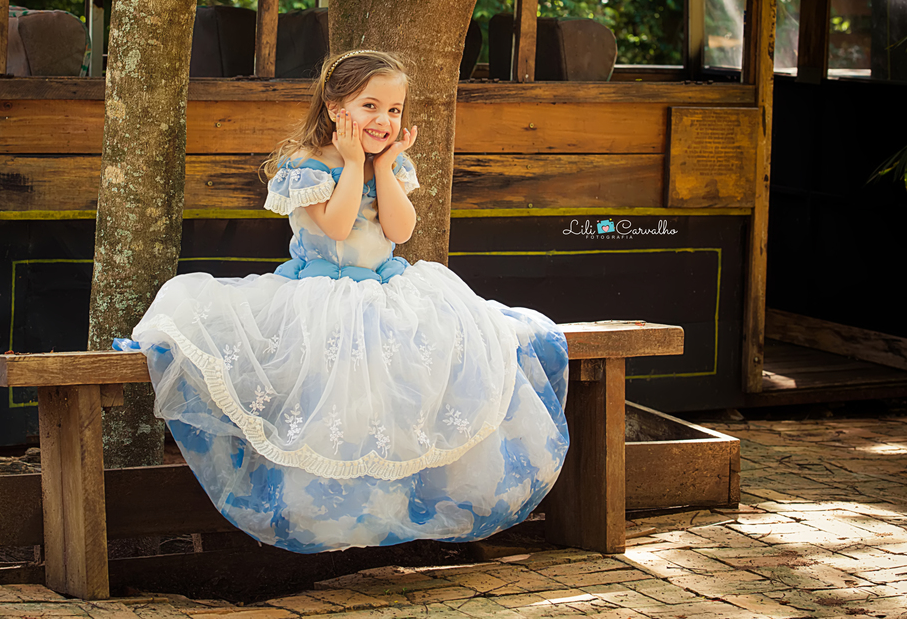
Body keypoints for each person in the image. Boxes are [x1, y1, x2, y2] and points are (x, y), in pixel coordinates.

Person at [114, 49, 570, 553]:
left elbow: (400, 230)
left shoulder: (390, 163)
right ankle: (331, 509)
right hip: (321, 292)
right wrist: (355, 164)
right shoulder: (307, 163)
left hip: (384, 288)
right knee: (339, 391)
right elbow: (335, 223)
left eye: (394, 110)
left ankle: (405, 497)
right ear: (335, 108)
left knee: (437, 359)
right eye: (370, 106)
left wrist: (388, 165)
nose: (384, 120)